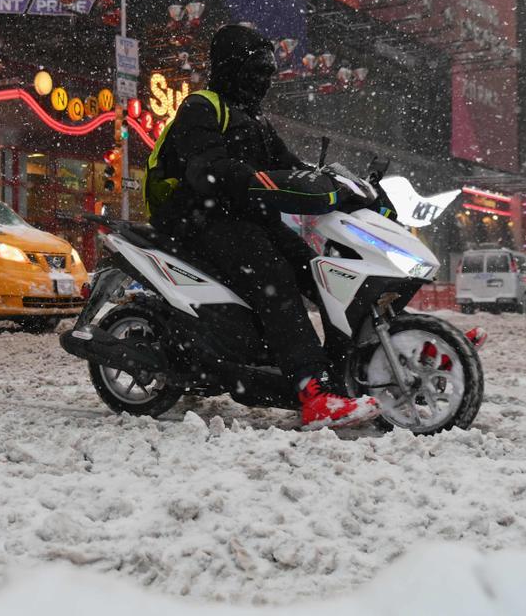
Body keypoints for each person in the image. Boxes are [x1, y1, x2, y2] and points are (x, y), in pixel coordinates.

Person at [145, 23, 380, 430]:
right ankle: (312, 391)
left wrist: (337, 183)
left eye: (268, 73)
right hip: (200, 219)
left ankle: (351, 365)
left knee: (318, 271)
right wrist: (254, 179)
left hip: (247, 219)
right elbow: (208, 169)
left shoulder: (255, 120)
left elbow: (290, 165)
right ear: (234, 68)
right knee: (276, 280)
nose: (265, 81)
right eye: (258, 72)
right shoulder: (202, 107)